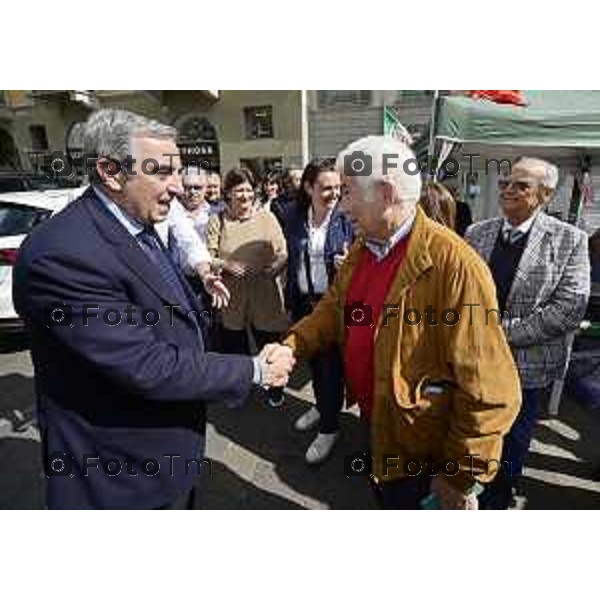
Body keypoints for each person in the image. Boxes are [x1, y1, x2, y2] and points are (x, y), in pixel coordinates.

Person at [12, 109, 295, 510]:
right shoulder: (62, 255)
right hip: (120, 480)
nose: (179, 187)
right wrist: (255, 370)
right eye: (162, 173)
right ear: (111, 172)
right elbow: (146, 365)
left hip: (165, 460)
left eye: (178, 172)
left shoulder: (133, 224)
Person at [273, 135, 521, 509]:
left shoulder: (456, 267)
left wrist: (458, 477)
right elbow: (333, 309)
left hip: (427, 453)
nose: (342, 207)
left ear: (386, 193)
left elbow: (491, 395)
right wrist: (291, 345)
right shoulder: (362, 248)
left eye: (348, 193)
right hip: (380, 428)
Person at [465, 157, 591, 509]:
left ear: (546, 195)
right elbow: (459, 291)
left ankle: (498, 500)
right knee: (473, 430)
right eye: (506, 182)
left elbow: (568, 309)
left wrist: (502, 334)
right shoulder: (478, 233)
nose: (508, 190)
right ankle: (465, 494)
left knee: (512, 439)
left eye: (521, 185)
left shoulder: (570, 240)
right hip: (476, 358)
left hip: (527, 365)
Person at [284, 158, 353, 464]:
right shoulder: (294, 216)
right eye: (326, 188)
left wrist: (348, 266)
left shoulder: (347, 219)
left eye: (338, 188)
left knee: (331, 369)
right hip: (303, 302)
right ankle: (322, 407)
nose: (334, 194)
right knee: (312, 363)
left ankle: (329, 427)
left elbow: (365, 259)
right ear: (309, 187)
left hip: (333, 307)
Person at [206, 168, 289, 407]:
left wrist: (273, 269)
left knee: (270, 344)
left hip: (265, 295)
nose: (244, 195)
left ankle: (275, 387)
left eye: (248, 189)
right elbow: (208, 256)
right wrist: (226, 265)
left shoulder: (266, 217)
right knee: (235, 348)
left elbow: (282, 252)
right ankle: (239, 390)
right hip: (232, 298)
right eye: (238, 190)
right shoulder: (218, 220)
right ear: (228, 194)